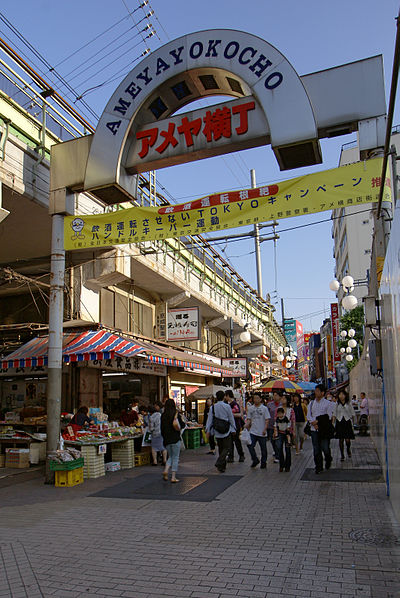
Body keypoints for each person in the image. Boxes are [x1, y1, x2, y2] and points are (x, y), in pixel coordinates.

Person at [205, 390, 236, 473]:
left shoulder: (213, 407)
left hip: (217, 430)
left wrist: (207, 430)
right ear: (223, 397)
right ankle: (219, 462)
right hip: (226, 429)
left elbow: (210, 420)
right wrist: (234, 428)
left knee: (221, 448)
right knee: (227, 448)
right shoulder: (227, 406)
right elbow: (231, 418)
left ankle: (222, 467)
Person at [307, 384, 334, 474]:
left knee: (325, 447)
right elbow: (308, 415)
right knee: (316, 449)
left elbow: (328, 417)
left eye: (318, 391)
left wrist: (318, 421)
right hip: (314, 429)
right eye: (315, 390)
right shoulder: (311, 403)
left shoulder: (328, 404)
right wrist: (313, 422)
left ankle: (328, 458)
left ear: (322, 393)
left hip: (324, 429)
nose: (316, 392)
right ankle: (318, 466)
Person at [161, 398, 184, 483]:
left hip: (166, 439)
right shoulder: (176, 414)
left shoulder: (163, 415)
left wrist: (164, 438)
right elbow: (182, 425)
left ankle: (166, 470)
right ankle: (173, 476)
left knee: (170, 456)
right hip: (175, 438)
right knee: (175, 457)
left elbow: (162, 429)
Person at [245, 392, 270, 469]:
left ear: (260, 399)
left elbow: (267, 420)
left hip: (262, 431)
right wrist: (246, 425)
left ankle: (263, 462)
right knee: (250, 445)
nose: (255, 400)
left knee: (263, 448)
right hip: (253, 431)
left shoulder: (264, 408)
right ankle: (255, 459)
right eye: (254, 398)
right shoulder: (251, 408)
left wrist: (265, 429)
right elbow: (249, 419)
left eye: (257, 398)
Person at [333, 390, 356, 460]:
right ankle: (342, 454)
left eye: (342, 395)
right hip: (339, 422)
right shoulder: (337, 404)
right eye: (340, 395)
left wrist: (354, 423)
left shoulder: (349, 403)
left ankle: (348, 449)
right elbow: (334, 414)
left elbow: (353, 413)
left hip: (347, 422)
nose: (341, 396)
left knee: (347, 440)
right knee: (341, 439)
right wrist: (333, 423)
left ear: (345, 396)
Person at [225, 389, 245, 463]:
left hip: (235, 425)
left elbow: (239, 414)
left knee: (236, 441)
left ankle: (241, 455)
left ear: (228, 396)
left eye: (225, 396)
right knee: (230, 442)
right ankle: (231, 456)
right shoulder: (228, 404)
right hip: (230, 426)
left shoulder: (234, 404)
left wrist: (230, 415)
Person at [273, 407, 292, 472]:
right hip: (280, 434)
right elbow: (275, 426)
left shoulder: (286, 419)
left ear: (283, 413)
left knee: (287, 450)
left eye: (281, 413)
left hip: (286, 433)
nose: (280, 415)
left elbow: (289, 425)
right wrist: (275, 433)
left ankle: (287, 466)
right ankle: (281, 465)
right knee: (279, 449)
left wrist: (288, 429)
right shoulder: (277, 419)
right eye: (278, 413)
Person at [266, 391, 281, 463]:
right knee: (273, 441)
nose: (275, 397)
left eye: (276, 395)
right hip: (271, 425)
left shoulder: (282, 404)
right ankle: (276, 451)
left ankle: (278, 455)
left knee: (278, 441)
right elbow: (267, 415)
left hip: (279, 426)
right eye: (274, 395)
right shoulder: (269, 404)